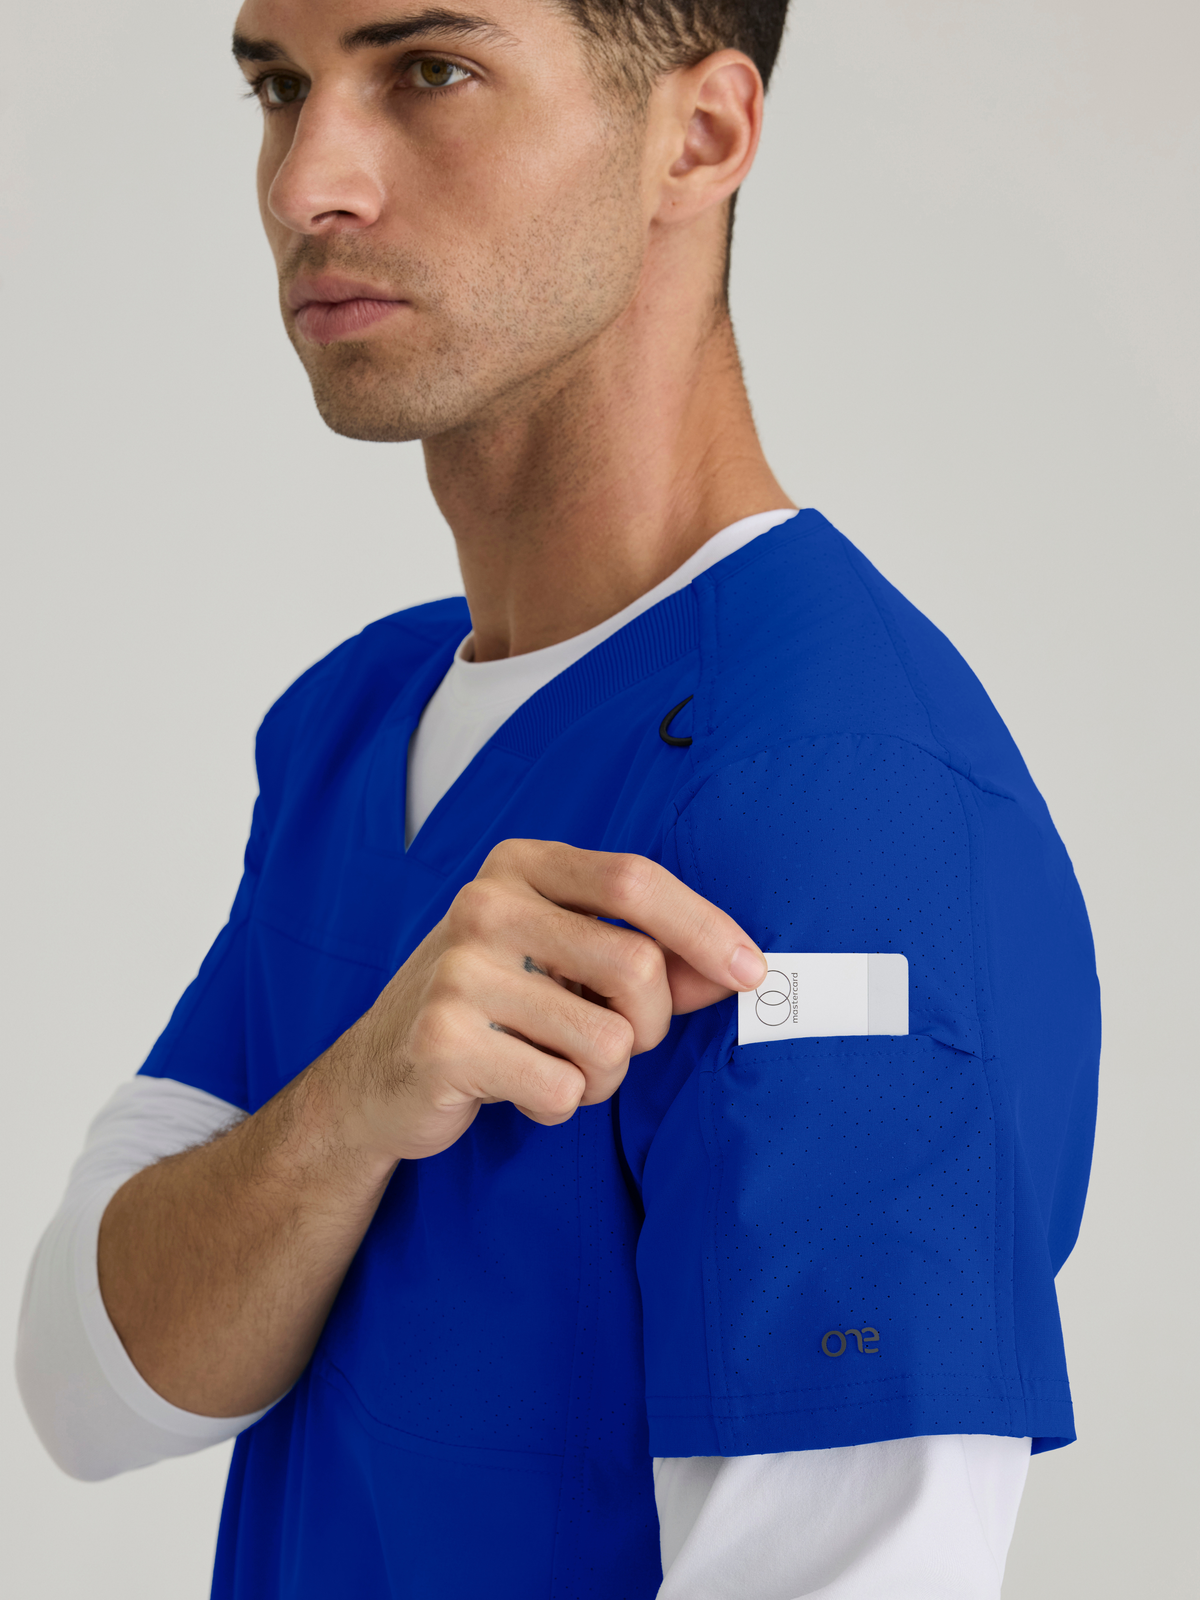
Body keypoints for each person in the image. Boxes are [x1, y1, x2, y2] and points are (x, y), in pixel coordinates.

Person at [16, 1, 1101, 1595]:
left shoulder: (844, 808)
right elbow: (90, 1382)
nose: (309, 180)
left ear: (700, 138)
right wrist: (355, 1100)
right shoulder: (356, 724)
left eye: (430, 73)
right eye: (280, 87)